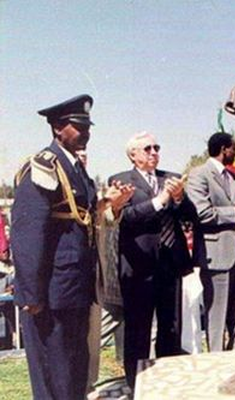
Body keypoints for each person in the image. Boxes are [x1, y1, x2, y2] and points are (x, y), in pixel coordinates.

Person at [11, 95, 132, 400]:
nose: (85, 132)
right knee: (54, 375)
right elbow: (28, 233)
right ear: (57, 128)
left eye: (87, 126)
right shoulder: (43, 166)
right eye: (78, 126)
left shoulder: (75, 167)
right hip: (51, 291)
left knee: (75, 372)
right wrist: (31, 294)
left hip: (76, 287)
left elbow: (85, 218)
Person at [109, 131, 197, 389]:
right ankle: (136, 384)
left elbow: (190, 217)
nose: (154, 152)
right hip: (139, 267)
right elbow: (126, 218)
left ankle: (167, 382)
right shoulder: (121, 181)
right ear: (133, 155)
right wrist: (159, 202)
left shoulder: (171, 178)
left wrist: (179, 198)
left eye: (156, 147)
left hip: (170, 264)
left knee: (171, 328)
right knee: (138, 330)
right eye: (147, 149)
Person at [186, 132, 235, 352]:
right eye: (234, 148)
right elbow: (202, 213)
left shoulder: (234, 177)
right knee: (217, 314)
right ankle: (217, 358)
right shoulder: (199, 175)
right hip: (216, 256)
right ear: (224, 149)